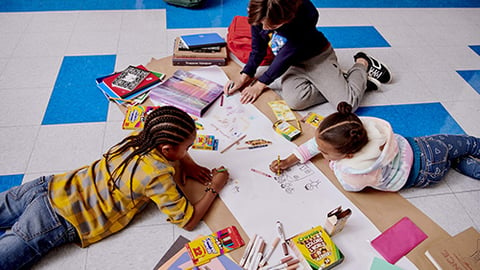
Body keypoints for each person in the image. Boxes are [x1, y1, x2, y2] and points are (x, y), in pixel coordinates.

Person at [0, 106, 229, 269]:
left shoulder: (138, 138)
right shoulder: (158, 176)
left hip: (50, 186)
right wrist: (214, 188)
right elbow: (188, 221)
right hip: (60, 219)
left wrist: (188, 163)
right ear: (167, 149)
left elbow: (173, 152)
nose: (190, 150)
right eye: (188, 146)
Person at [269, 102, 480, 192]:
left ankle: (462, 163)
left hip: (425, 175)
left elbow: (350, 188)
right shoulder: (358, 129)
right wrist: (290, 160)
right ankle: (469, 151)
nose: (319, 151)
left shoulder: (352, 170)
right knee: (464, 144)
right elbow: (317, 144)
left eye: (325, 152)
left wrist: (334, 165)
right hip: (428, 147)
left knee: (455, 162)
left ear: (348, 155)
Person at [224, 0, 392, 111]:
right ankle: (344, 83)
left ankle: (362, 64)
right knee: (295, 102)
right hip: (292, 64)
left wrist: (260, 83)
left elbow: (288, 53)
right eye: (262, 25)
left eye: (273, 26)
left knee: (347, 103)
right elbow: (258, 48)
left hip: (318, 57)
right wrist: (246, 74)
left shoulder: (307, 14)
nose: (266, 30)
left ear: (288, 17)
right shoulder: (260, 10)